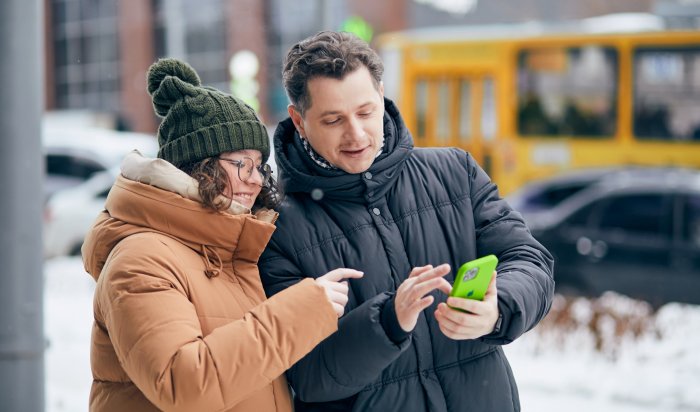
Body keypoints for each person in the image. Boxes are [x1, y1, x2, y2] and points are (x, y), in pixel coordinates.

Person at [259, 31, 555, 411]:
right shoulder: (275, 227)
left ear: (381, 95)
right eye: (334, 120)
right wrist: (387, 321)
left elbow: (530, 260)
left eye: (366, 112)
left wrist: (499, 310)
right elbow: (309, 376)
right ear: (298, 121)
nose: (357, 134)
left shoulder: (455, 173)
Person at [82, 58, 363, 412]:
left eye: (260, 165)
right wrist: (298, 313)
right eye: (241, 163)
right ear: (197, 164)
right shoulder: (141, 259)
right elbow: (186, 385)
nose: (257, 179)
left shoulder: (226, 253)